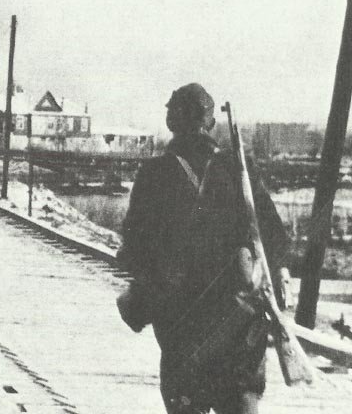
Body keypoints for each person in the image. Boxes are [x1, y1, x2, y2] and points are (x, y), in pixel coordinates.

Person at [117, 83, 289, 414]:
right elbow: (274, 236)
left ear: (172, 122)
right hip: (239, 312)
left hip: (179, 312)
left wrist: (148, 284)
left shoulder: (154, 173)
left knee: (185, 399)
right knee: (240, 397)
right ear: (210, 123)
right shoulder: (239, 169)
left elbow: (134, 245)